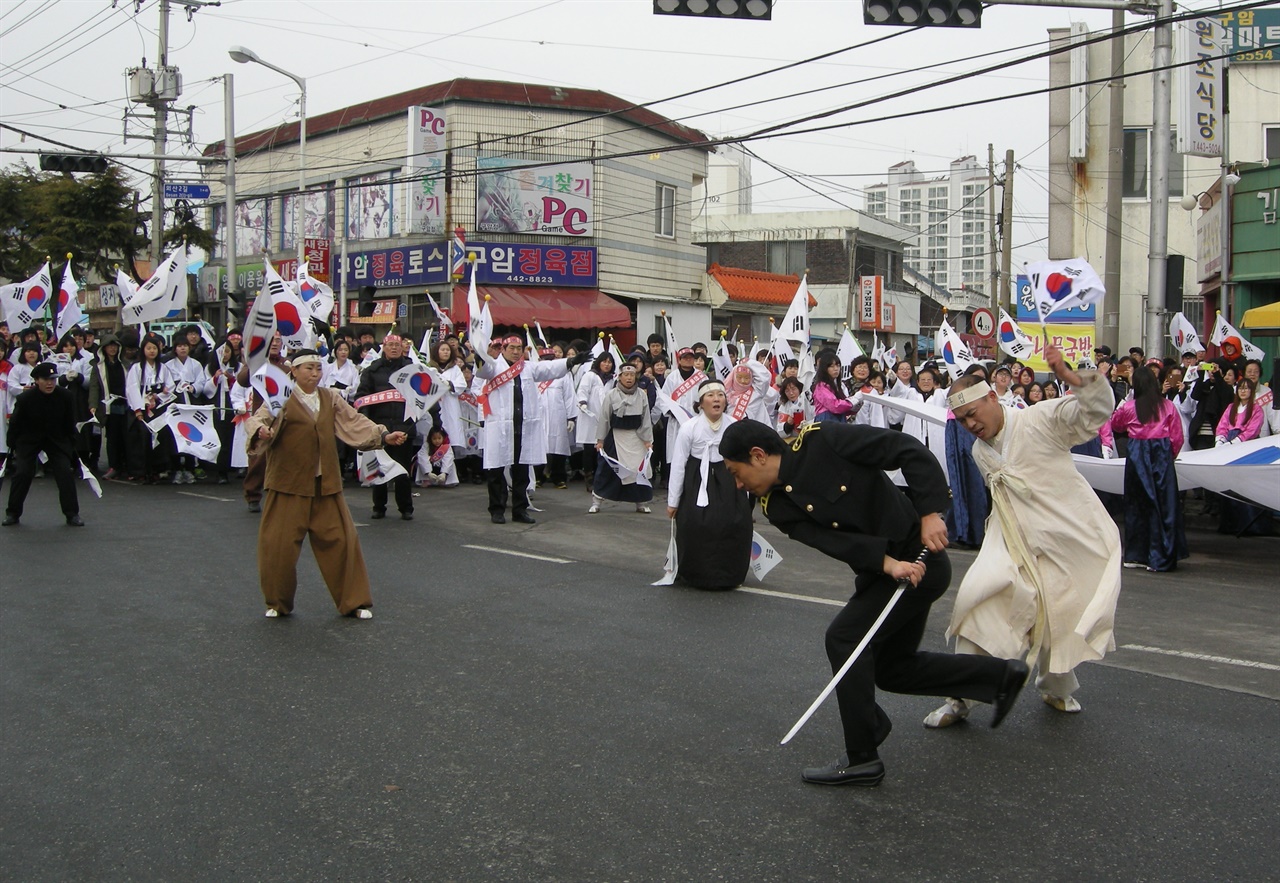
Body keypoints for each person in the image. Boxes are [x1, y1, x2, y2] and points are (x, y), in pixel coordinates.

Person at [720, 419, 1027, 787]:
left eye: (736, 473)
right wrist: (887, 564)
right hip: (886, 573)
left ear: (757, 456)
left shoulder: (825, 440)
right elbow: (833, 543)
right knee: (893, 670)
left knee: (844, 639)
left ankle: (862, 756)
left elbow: (906, 450)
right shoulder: (776, 506)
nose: (738, 485)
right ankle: (1000, 678)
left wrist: (930, 512)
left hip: (919, 560)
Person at [927, 344, 1121, 725]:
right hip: (1009, 539)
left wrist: (1072, 380)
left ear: (991, 397)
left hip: (1066, 533)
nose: (970, 425)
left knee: (1063, 613)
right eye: (962, 420)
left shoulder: (1039, 419)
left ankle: (1056, 687)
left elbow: (1094, 413)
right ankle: (960, 697)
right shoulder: (979, 452)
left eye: (972, 414)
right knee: (978, 600)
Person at [245, 349, 407, 619]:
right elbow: (257, 420)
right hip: (288, 483)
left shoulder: (330, 397)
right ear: (293, 371)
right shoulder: (281, 398)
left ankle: (353, 601)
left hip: (325, 484)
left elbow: (353, 422)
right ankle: (277, 602)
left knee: (342, 542)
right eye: (308, 368)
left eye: (318, 368)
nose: (315, 373)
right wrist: (260, 430)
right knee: (278, 548)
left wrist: (383, 435)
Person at [476, 334, 583, 524]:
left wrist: (571, 361)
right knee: (496, 472)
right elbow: (482, 369)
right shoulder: (494, 367)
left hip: (522, 428)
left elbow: (549, 368)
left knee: (521, 472)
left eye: (519, 349)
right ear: (503, 349)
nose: (516, 352)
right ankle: (497, 510)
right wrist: (477, 351)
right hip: (500, 428)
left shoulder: (528, 368)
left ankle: (519, 510)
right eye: (512, 348)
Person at [666, 380, 752, 589]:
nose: (716, 399)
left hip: (728, 479)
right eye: (710, 395)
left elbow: (744, 461)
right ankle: (694, 573)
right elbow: (678, 464)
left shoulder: (734, 425)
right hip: (698, 480)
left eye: (720, 395)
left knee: (734, 524)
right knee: (695, 525)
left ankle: (729, 574)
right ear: (701, 402)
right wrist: (673, 501)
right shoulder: (689, 428)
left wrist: (746, 493)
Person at [1101, 364, 1186, 572]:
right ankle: (1160, 556)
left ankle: (1136, 554)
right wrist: (1169, 457)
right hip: (1161, 454)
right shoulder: (1167, 406)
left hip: (1138, 454)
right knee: (1163, 504)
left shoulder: (1130, 407)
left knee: (1136, 504)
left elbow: (1116, 424)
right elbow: (1177, 437)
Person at [3, 363, 84, 527]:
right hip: (29, 439)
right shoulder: (25, 398)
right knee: (23, 473)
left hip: (56, 439)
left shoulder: (65, 396)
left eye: (53, 380)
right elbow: (15, 423)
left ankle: (72, 514)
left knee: (64, 473)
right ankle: (12, 513)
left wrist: (70, 445)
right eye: (46, 380)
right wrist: (12, 445)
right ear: (36, 380)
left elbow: (70, 422)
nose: (50, 384)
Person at [354, 333, 421, 521]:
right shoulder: (372, 371)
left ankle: (406, 508)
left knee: (402, 471)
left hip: (404, 426)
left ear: (403, 348)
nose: (394, 348)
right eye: (390, 345)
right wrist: (368, 425)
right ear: (383, 347)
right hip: (380, 428)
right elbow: (362, 399)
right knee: (379, 469)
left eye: (397, 345)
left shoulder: (412, 370)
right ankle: (379, 506)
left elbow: (422, 398)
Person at [590, 364, 654, 514]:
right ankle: (596, 502)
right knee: (607, 470)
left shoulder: (642, 395)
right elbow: (604, 419)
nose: (629, 378)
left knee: (639, 471)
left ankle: (641, 502)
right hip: (615, 437)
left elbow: (646, 419)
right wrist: (600, 440)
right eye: (626, 375)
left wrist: (647, 440)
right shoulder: (611, 395)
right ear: (620, 377)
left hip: (636, 437)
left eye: (632, 375)